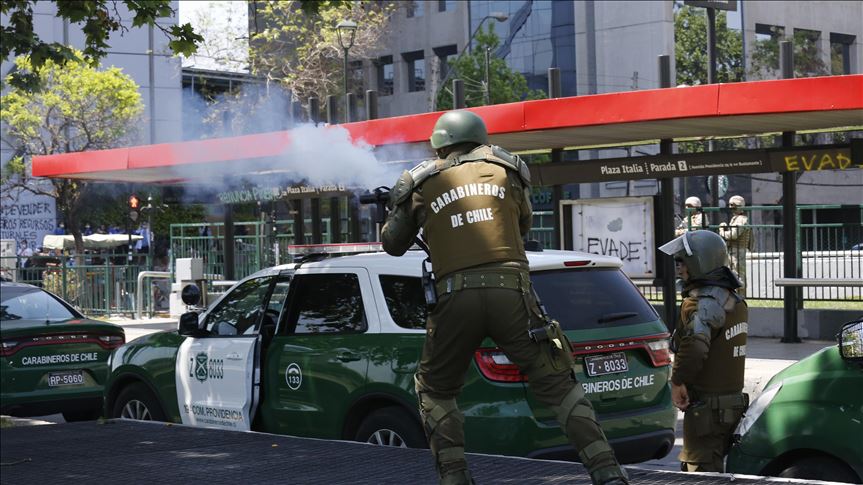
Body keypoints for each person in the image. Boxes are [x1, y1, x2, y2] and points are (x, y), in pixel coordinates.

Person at [381, 110, 628, 485]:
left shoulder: (421, 181)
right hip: (512, 293)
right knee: (558, 383)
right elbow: (523, 222)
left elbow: (392, 244)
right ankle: (607, 471)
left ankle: (455, 477)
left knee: (435, 388)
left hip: (454, 298)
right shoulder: (508, 168)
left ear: (440, 143)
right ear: (479, 137)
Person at [659, 230, 749, 473]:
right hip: (730, 403)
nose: (679, 268)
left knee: (699, 472)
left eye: (682, 262)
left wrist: (677, 382)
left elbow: (696, 346)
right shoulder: (734, 301)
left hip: (707, 410)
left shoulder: (700, 303)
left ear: (699, 262)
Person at [719, 195, 752, 297]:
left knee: (738, 275)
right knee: (734, 273)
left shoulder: (741, 219)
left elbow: (733, 235)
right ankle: (736, 296)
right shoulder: (737, 218)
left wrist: (721, 230)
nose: (731, 208)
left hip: (738, 250)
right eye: (730, 206)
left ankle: (740, 298)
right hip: (734, 250)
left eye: (733, 206)